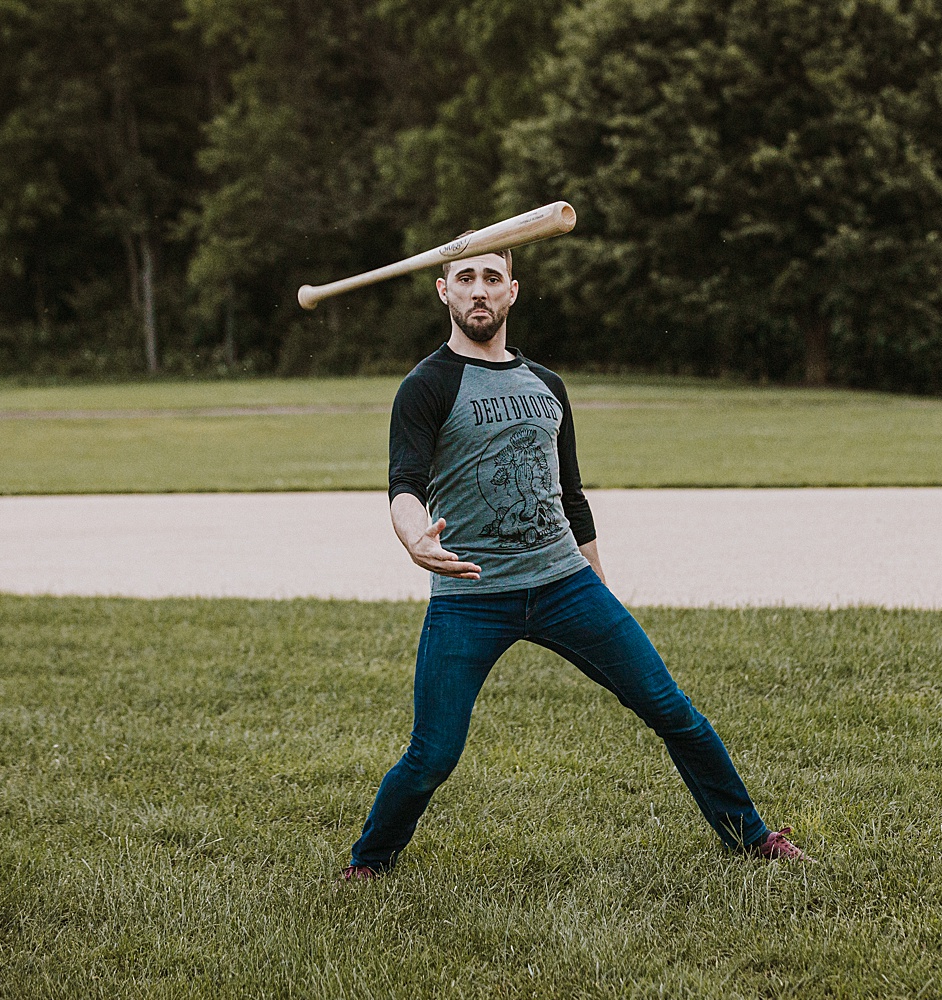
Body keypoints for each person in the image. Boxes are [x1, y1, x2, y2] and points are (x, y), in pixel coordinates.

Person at [341, 239, 807, 879]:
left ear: (512, 290)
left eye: (492, 278)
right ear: (443, 291)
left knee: (673, 713)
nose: (480, 290)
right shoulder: (426, 386)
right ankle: (370, 862)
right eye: (466, 278)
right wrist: (414, 537)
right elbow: (404, 486)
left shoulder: (547, 385)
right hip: (473, 596)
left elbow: (572, 496)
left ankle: (750, 837)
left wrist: (599, 583)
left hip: (565, 584)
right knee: (433, 754)